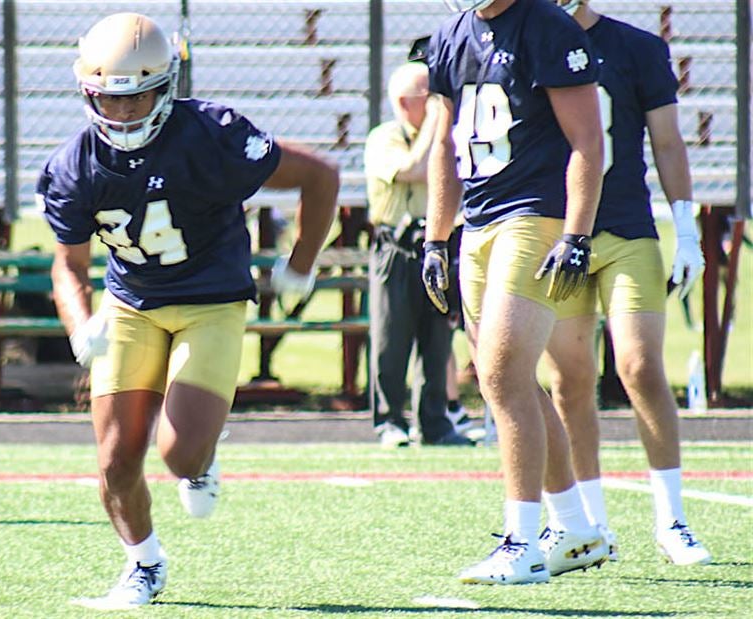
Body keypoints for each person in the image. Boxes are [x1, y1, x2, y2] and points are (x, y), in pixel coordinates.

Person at [38, 12, 338, 608]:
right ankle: (143, 563)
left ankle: (202, 455)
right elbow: (67, 264)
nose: (122, 113)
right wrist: (80, 325)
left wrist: (301, 264)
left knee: (179, 453)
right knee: (115, 459)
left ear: (166, 86)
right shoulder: (74, 164)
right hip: (131, 305)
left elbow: (319, 176)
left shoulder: (211, 135)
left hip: (211, 301)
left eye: (137, 97)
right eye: (108, 99)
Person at [423, 0, 610, 583]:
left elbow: (587, 140)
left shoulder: (546, 25)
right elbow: (445, 145)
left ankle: (522, 540)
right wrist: (435, 237)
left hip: (533, 215)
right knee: (510, 380)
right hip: (478, 222)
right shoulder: (452, 33)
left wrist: (577, 233)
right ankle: (576, 526)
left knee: (501, 376)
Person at [542, 0, 711, 566]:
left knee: (639, 366)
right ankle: (591, 525)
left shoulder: (636, 46)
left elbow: (666, 140)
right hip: (555, 228)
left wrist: (686, 231)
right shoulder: (525, 39)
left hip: (625, 226)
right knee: (569, 379)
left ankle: (672, 519)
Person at [364, 61, 471, 448]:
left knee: (437, 340)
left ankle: (435, 422)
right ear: (405, 102)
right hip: (396, 246)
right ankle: (389, 422)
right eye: (429, 97)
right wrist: (436, 123)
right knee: (391, 339)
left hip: (434, 244)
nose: (437, 104)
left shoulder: (447, 137)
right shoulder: (384, 137)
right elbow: (413, 169)